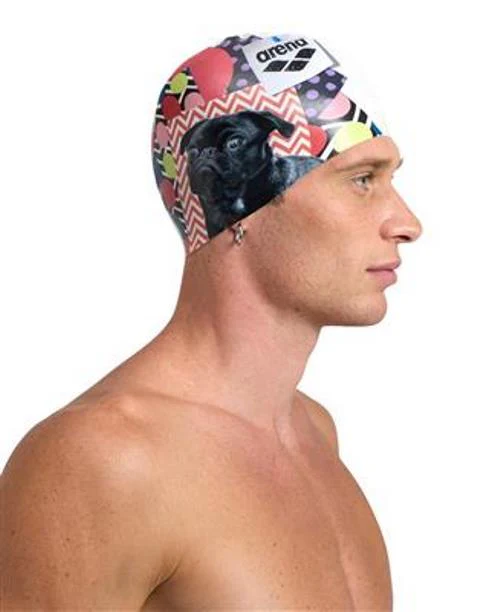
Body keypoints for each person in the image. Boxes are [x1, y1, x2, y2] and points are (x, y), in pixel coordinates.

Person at [1, 33, 422, 610]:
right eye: (361, 180)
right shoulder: (97, 460)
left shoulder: (315, 432)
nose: (407, 222)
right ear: (237, 202)